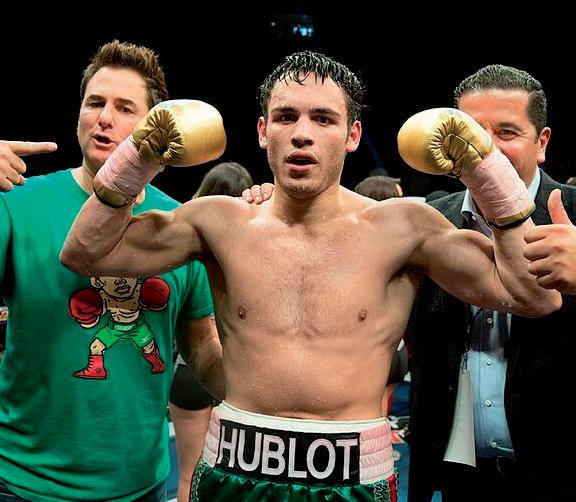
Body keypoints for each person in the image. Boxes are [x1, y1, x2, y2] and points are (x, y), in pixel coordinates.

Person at [60, 51, 560, 502]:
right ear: (263, 131)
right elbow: (85, 252)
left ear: (352, 135)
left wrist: (486, 172)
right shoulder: (217, 222)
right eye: (286, 117)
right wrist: (137, 158)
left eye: (323, 118)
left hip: (354, 481)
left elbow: (533, 297)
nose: (302, 133)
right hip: (234, 472)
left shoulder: (405, 228)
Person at [0, 40, 223, 501]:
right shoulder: (18, 203)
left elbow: (202, 348)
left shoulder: (180, 224)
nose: (104, 118)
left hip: (140, 485)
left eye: (124, 108)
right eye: (94, 103)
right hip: (25, 483)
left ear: (154, 126)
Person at [405, 64, 576, 502]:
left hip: (562, 471)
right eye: (472, 132)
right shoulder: (430, 220)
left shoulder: (575, 213)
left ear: (542, 143)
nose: (486, 149)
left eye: (506, 132)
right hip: (457, 473)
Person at [169, 160, 254, 502]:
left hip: (192, 370)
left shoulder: (184, 243)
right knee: (238, 480)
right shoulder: (253, 252)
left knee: (189, 476)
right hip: (237, 376)